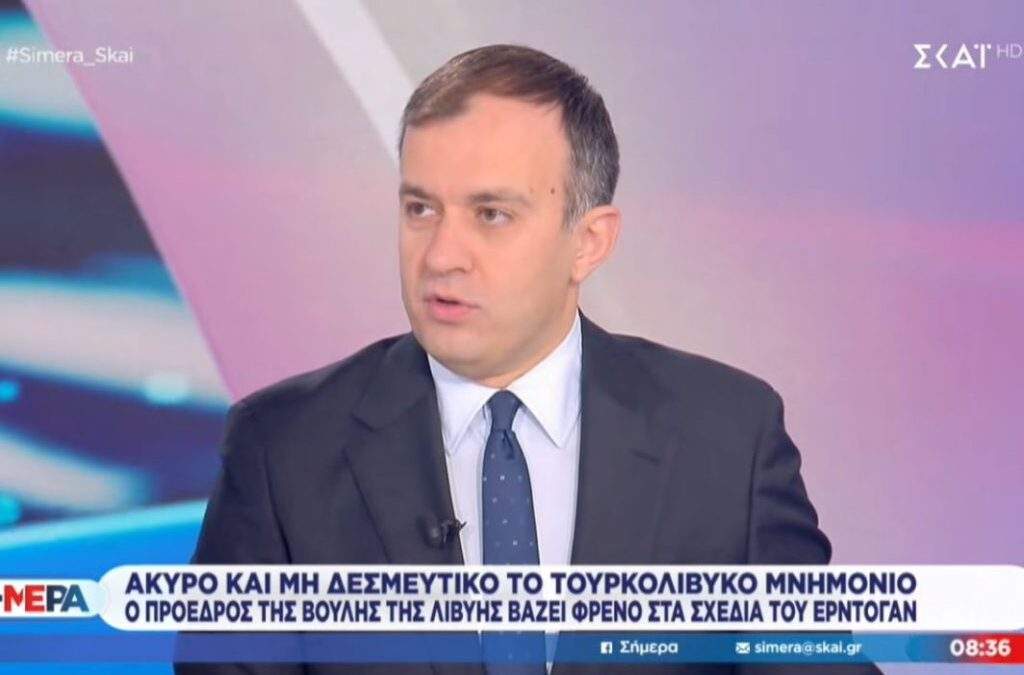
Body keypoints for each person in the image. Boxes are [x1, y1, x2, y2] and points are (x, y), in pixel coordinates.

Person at [179, 45, 881, 675]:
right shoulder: (283, 447)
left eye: (491, 214)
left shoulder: (726, 440)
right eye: (421, 209)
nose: (441, 256)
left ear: (589, 242)